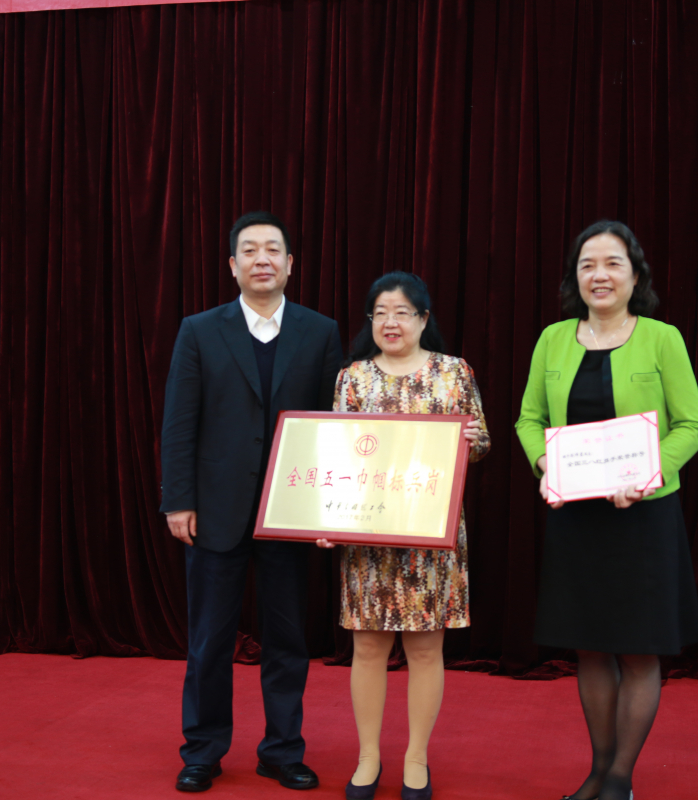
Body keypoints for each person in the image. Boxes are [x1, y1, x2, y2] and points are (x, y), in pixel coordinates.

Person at [514, 221, 698, 800]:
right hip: (577, 518)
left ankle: (620, 780)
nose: (599, 275)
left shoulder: (662, 338)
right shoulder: (553, 339)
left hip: (643, 518)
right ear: (575, 277)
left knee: (640, 650)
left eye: (612, 263)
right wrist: (545, 463)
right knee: (590, 647)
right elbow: (528, 420)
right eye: (587, 265)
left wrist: (646, 477)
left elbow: (692, 426)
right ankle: (597, 771)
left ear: (635, 275)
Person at [160, 211, 342, 793]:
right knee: (209, 640)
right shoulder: (199, 330)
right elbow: (179, 423)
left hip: (290, 511)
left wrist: (326, 509)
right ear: (233, 265)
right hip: (215, 510)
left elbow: (330, 427)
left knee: (288, 640)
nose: (262, 258)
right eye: (249, 249)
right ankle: (203, 750)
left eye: (273, 249)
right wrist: (178, 500)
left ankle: (282, 751)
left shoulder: (320, 332)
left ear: (290, 264)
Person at [316, 272, 490, 800]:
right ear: (370, 321)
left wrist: (470, 438)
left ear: (423, 319)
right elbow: (335, 454)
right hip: (367, 535)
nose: (390, 323)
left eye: (402, 313)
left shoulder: (453, 372)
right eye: (381, 313)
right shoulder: (352, 379)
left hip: (429, 536)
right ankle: (368, 756)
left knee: (426, 650)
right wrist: (323, 518)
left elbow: (480, 441)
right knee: (367, 648)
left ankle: (416, 757)